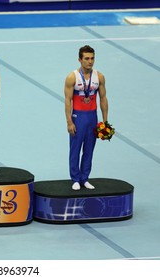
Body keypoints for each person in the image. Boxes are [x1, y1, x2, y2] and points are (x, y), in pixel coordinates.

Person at [64, 45, 108, 190]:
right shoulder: (72, 77)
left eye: (92, 58)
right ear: (80, 60)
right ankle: (75, 178)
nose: (90, 61)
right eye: (87, 58)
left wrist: (105, 121)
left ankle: (85, 178)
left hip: (92, 117)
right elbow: (68, 100)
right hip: (78, 116)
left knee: (89, 149)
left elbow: (103, 98)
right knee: (75, 149)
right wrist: (69, 122)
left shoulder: (99, 76)